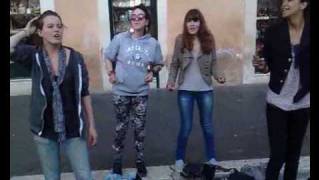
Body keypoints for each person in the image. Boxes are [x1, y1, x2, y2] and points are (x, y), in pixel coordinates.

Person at [10, 10, 98, 180]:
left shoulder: (76, 58)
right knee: (51, 177)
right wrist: (25, 32)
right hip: (44, 129)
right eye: (50, 26)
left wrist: (91, 125)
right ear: (40, 32)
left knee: (84, 175)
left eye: (59, 26)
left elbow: (84, 93)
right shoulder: (34, 56)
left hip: (73, 127)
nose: (56, 30)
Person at [103, 4, 163, 177]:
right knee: (121, 128)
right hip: (121, 92)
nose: (136, 19)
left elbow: (159, 63)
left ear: (146, 21)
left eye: (140, 17)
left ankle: (140, 161)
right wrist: (111, 72)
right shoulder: (120, 38)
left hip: (141, 93)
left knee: (139, 129)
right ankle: (117, 161)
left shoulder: (153, 43)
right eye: (133, 17)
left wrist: (153, 72)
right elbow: (108, 57)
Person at [252, 0, 309, 179]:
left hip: (303, 103)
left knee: (293, 157)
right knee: (277, 156)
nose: (284, 4)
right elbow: (267, 65)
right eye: (282, 1)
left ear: (303, 4)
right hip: (277, 102)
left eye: (289, 0)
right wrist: (261, 66)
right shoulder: (273, 32)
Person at [166, 9, 226, 173]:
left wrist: (219, 76)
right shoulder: (180, 40)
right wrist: (171, 81)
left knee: (207, 125)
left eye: (195, 20)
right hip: (185, 89)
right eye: (189, 20)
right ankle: (179, 159)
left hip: (205, 89)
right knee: (186, 126)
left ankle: (211, 157)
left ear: (201, 22)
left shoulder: (208, 39)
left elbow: (214, 62)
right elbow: (174, 64)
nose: (192, 23)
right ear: (186, 23)